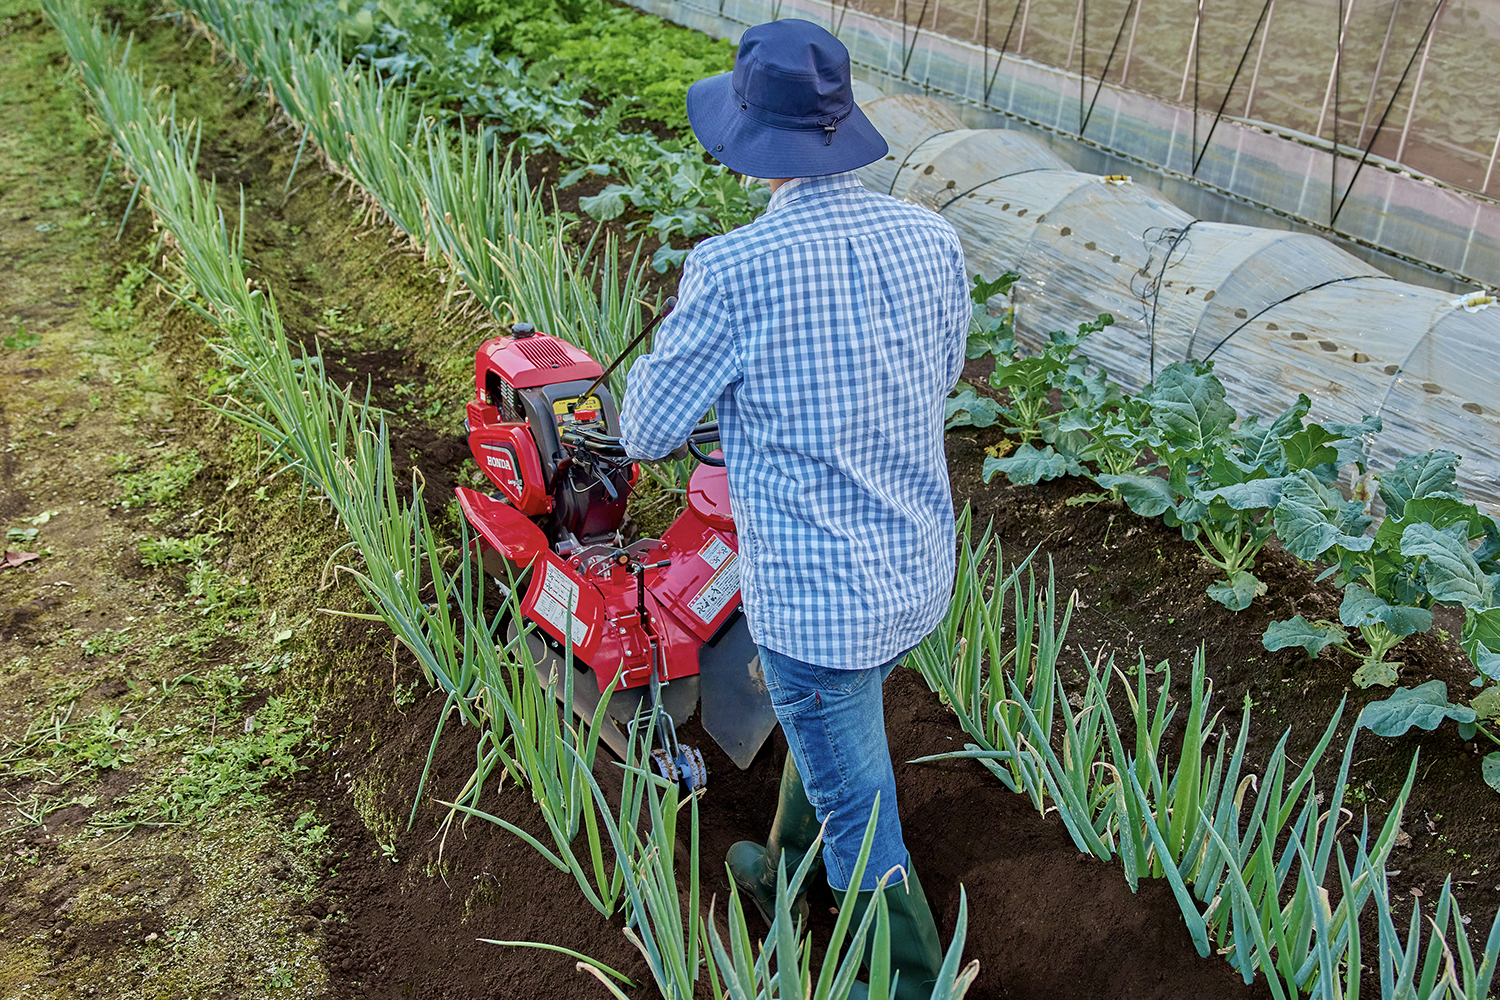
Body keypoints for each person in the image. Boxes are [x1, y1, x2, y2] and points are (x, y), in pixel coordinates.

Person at [618, 17, 969, 998]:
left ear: (748, 142)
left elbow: (646, 429)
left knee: (860, 799)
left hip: (820, 611)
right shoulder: (931, 238)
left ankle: (900, 981)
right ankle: (783, 869)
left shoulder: (732, 270)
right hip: (916, 574)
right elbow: (933, 378)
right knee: (836, 734)